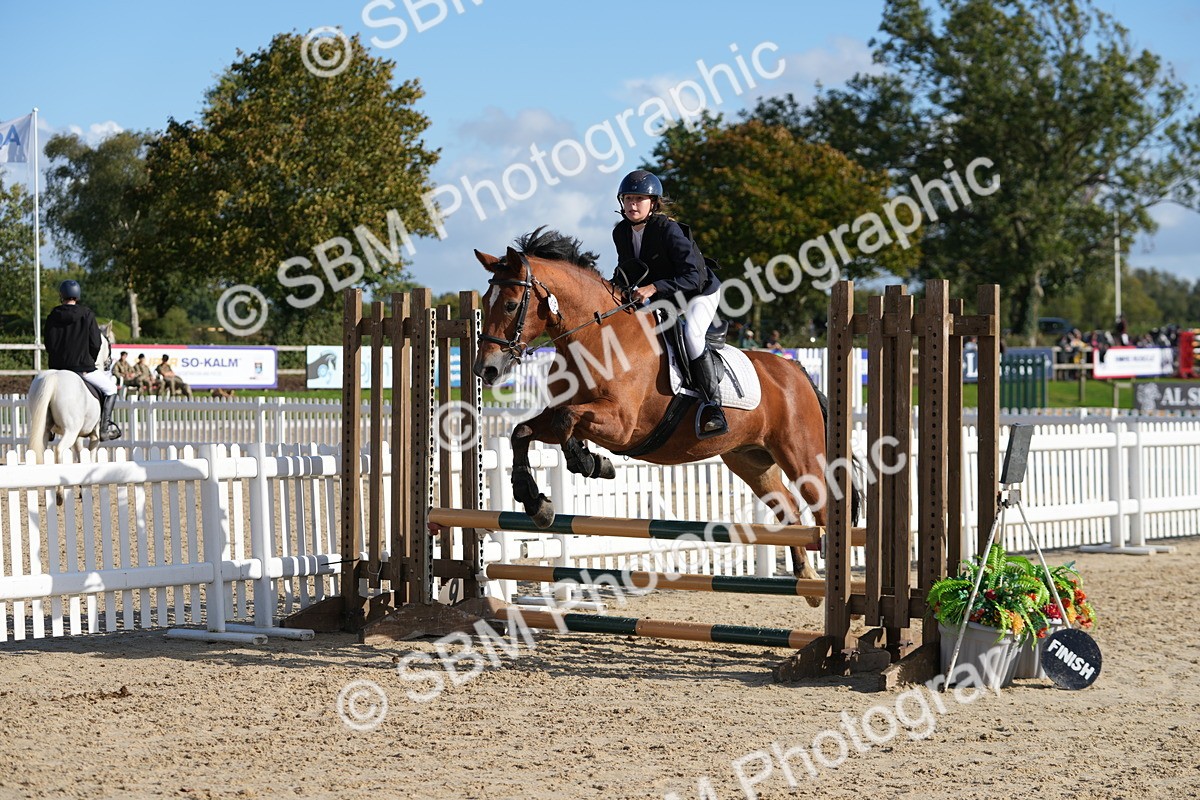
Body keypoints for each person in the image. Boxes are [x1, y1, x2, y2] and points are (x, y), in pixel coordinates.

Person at [611, 169, 726, 436]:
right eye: (628, 198)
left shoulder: (668, 229)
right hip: (663, 296)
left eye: (639, 199)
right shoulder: (620, 233)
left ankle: (713, 407)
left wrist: (653, 287)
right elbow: (626, 271)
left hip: (699, 291)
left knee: (691, 336)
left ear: (653, 203)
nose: (632, 205)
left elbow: (693, 277)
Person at [43, 279, 121, 441]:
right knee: (111, 389)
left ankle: (47, 427)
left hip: (57, 369)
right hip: (82, 367)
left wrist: (57, 361)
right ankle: (104, 429)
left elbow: (48, 343)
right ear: (77, 296)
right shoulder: (86, 314)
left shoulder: (52, 315)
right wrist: (89, 361)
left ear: (61, 295)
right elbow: (96, 342)